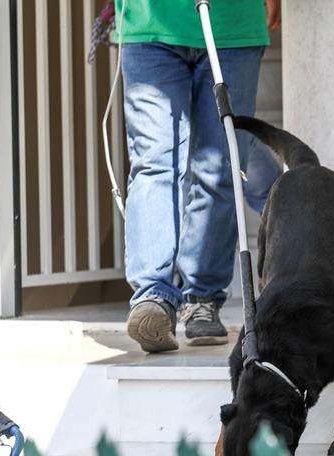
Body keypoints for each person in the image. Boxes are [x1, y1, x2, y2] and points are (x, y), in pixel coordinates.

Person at [115, 0, 282, 353]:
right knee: (154, 163)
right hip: (150, 25)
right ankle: (153, 298)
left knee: (221, 168)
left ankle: (202, 298)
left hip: (233, 26)